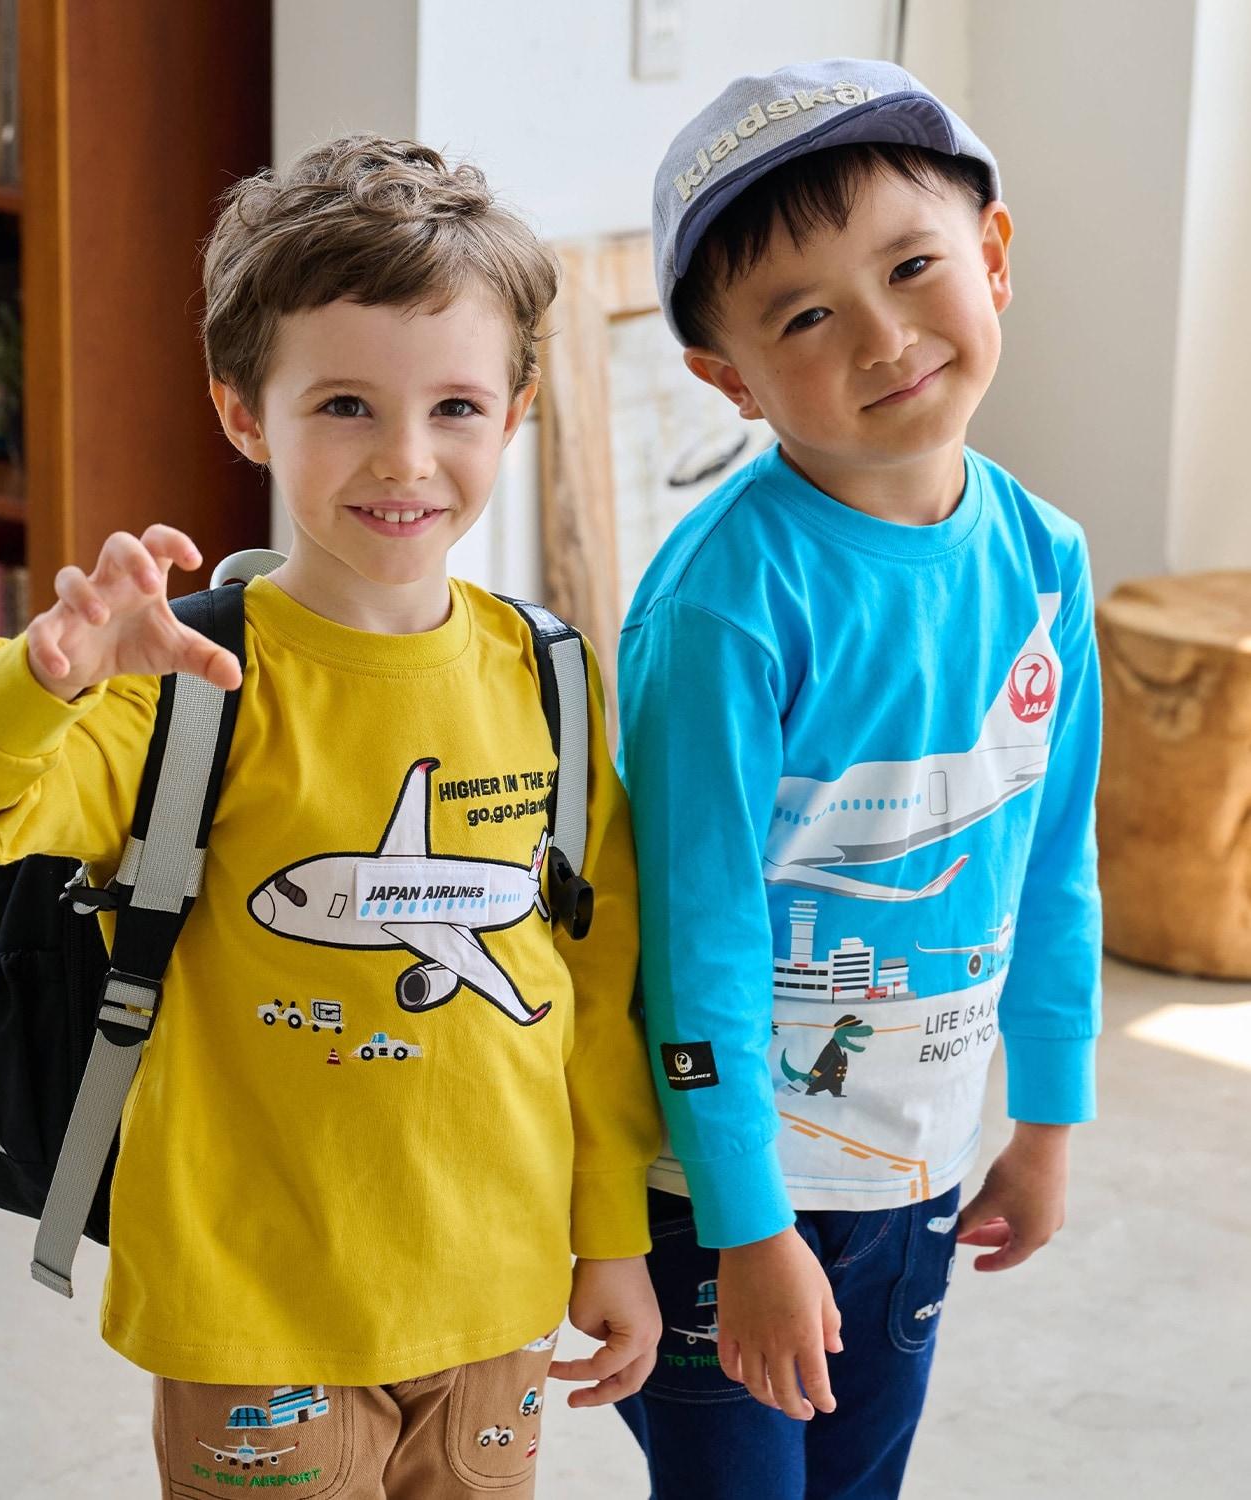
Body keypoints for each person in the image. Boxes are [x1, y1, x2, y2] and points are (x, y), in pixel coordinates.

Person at [0, 135, 662, 1499]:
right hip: (250, 1306)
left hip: (496, 1292)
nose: (406, 458)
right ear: (245, 412)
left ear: (517, 413)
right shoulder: (184, 681)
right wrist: (42, 679)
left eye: (456, 407)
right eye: (345, 404)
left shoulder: (552, 679)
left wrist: (611, 1230)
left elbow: (594, 990)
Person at [613, 59, 1102, 1499]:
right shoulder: (722, 603)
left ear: (991, 255)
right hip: (716, 1194)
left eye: (911, 267)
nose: (884, 337)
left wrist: (1048, 1118)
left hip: (918, 1168)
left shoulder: (1044, 559)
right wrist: (746, 1226)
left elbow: (1054, 859)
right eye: (806, 316)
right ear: (730, 377)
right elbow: (694, 939)